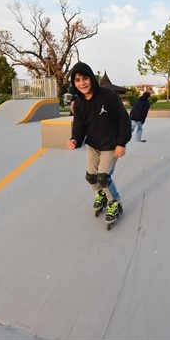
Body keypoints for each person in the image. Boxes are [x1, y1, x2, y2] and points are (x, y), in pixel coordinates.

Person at [66, 61, 131, 224]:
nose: (82, 83)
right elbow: (79, 126)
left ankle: (114, 202)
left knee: (103, 178)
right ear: (74, 83)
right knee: (90, 177)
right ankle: (101, 194)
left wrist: (122, 143)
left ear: (92, 78)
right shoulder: (79, 104)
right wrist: (75, 139)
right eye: (78, 80)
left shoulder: (108, 96)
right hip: (93, 145)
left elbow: (124, 119)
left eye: (85, 78)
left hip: (111, 144)